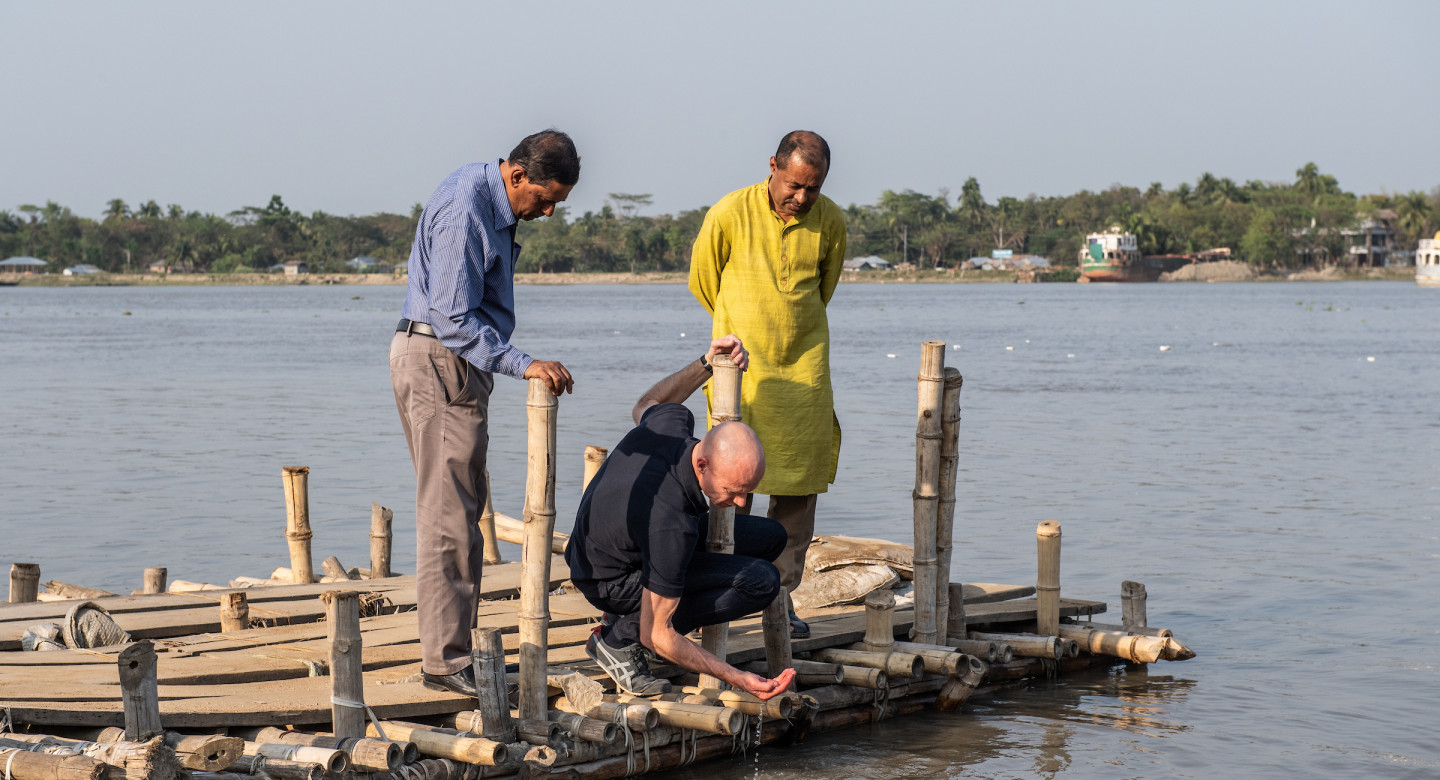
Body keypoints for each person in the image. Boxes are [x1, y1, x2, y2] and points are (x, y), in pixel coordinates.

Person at [389, 129, 580, 697]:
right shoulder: (470, 205)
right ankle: (445, 664)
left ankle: (454, 654)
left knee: (460, 512)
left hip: (450, 363)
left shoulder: (484, 192)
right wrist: (523, 364)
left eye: (556, 203)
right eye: (544, 198)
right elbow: (451, 317)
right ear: (517, 175)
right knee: (449, 517)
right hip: (440, 358)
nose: (546, 212)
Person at [565, 335, 798, 700]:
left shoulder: (672, 422)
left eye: (747, 491)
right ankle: (616, 640)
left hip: (616, 538)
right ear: (703, 464)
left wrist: (706, 363)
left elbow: (646, 402)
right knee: (760, 582)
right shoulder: (671, 524)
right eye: (734, 490)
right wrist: (737, 677)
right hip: (604, 576)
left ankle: (637, 612)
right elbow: (656, 635)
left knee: (772, 537)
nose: (739, 502)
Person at [687, 130, 847, 639]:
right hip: (741, 374)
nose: (801, 197)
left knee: (798, 489)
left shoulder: (832, 222)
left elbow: (825, 287)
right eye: (794, 184)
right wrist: (746, 326)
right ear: (773, 166)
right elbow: (702, 280)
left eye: (813, 189)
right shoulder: (730, 212)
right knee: (732, 484)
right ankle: (725, 591)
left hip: (804, 372)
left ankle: (780, 597)